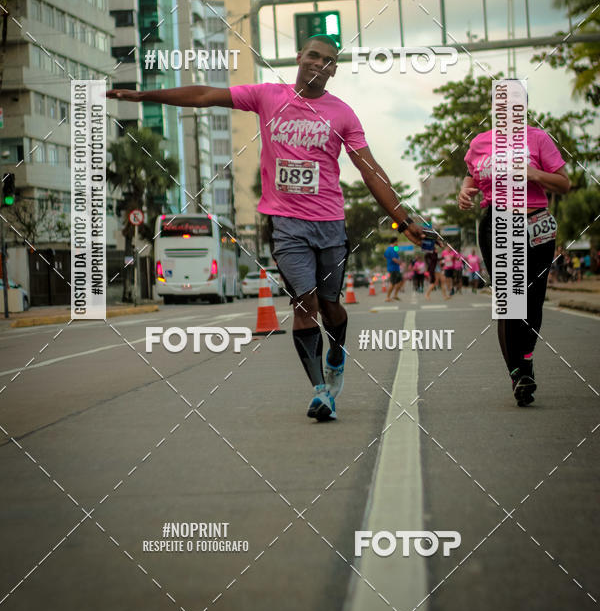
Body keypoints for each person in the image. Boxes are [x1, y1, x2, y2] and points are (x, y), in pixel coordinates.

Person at [108, 35, 425, 421]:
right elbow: (206, 95)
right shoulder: (267, 96)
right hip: (286, 224)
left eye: (327, 60)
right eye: (313, 55)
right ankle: (321, 391)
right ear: (299, 57)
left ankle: (337, 352)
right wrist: (145, 97)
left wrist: (401, 218)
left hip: (329, 224)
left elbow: (370, 170)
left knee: (330, 305)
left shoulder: (343, 114)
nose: (318, 64)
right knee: (303, 303)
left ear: (334, 69)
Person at [459, 119, 570, 406]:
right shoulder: (480, 142)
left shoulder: (539, 139)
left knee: (533, 300)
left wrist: (534, 173)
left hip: (536, 223)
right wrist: (465, 190)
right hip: (497, 222)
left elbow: (564, 183)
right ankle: (518, 373)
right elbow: (471, 175)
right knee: (509, 298)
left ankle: (526, 360)